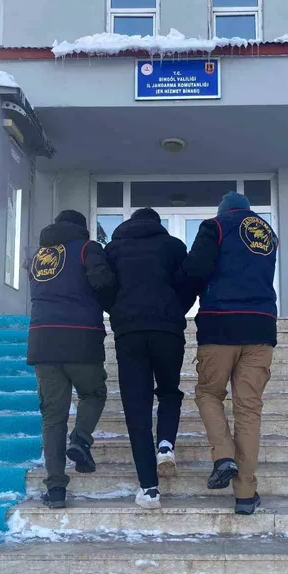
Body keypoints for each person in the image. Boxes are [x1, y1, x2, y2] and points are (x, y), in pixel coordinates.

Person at [175, 192, 277, 515]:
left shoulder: (215, 227)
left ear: (223, 211)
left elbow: (195, 270)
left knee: (209, 394)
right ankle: (245, 495)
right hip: (261, 329)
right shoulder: (268, 235)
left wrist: (176, 301)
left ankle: (223, 456)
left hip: (220, 326)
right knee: (248, 410)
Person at [27, 209, 116, 509]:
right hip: (81, 339)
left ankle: (55, 489)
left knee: (53, 417)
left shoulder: (39, 256)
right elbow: (102, 281)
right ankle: (80, 439)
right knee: (93, 393)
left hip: (43, 342)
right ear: (82, 228)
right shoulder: (87, 248)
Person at [105, 207, 192, 509]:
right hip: (168, 331)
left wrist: (117, 310)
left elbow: (103, 284)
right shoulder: (173, 246)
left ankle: (149, 488)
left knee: (136, 408)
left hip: (129, 333)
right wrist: (175, 310)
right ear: (157, 224)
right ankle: (165, 445)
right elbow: (188, 282)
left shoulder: (113, 249)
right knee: (169, 391)